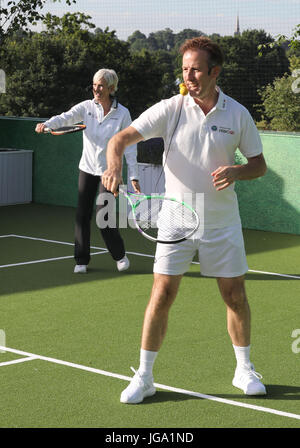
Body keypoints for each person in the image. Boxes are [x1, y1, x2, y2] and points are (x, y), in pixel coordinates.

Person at [102, 37, 267, 403]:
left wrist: (239, 171)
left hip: (222, 220)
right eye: (184, 69)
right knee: (162, 293)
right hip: (176, 217)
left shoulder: (237, 114)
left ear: (214, 72)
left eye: (195, 69)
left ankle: (244, 369)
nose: (188, 75)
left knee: (234, 295)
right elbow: (120, 139)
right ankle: (144, 377)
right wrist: (114, 165)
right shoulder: (170, 109)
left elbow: (259, 164)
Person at [35, 69, 140, 274]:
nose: (96, 89)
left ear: (111, 88)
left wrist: (133, 175)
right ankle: (81, 260)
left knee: (104, 217)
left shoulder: (123, 114)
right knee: (82, 216)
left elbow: (131, 146)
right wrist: (46, 124)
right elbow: (66, 117)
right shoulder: (86, 107)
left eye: (100, 85)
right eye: (94, 84)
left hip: (109, 173)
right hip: (87, 169)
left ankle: (119, 256)